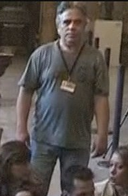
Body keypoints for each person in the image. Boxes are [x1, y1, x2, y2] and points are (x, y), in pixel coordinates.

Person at [16, 2, 110, 186]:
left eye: (77, 22)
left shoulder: (95, 59)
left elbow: (101, 98)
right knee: (35, 191)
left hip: (78, 141)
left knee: (73, 194)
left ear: (85, 25)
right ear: (58, 26)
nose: (72, 27)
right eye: (67, 22)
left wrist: (102, 134)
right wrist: (21, 128)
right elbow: (26, 91)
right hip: (44, 139)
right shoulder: (41, 55)